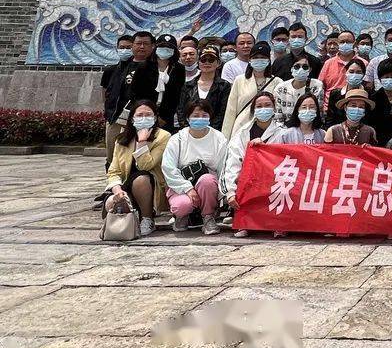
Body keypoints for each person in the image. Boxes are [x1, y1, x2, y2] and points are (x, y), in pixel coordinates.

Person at [223, 91, 286, 239]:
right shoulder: (242, 134)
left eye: (267, 105)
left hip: (274, 179)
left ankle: (278, 224)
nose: (263, 109)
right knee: (240, 180)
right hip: (249, 181)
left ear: (274, 108)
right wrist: (231, 192)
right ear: (253, 110)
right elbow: (232, 164)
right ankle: (244, 223)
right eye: (259, 106)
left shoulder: (283, 133)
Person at [104, 99, 170, 237]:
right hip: (127, 184)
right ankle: (129, 220)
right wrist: (117, 189)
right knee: (111, 203)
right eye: (139, 115)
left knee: (141, 178)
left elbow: (145, 165)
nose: (144, 118)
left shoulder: (163, 137)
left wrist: (142, 142)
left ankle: (147, 218)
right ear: (132, 119)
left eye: (148, 115)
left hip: (150, 184)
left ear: (155, 117)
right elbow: (114, 170)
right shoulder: (122, 139)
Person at [161, 100, 229, 235]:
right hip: (182, 183)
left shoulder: (219, 138)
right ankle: (181, 217)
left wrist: (224, 195)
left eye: (204, 115)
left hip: (208, 185)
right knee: (182, 206)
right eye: (196, 115)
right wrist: (188, 188)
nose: (200, 119)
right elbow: (168, 168)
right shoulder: (177, 139)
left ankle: (208, 216)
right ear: (187, 118)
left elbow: (223, 168)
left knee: (207, 180)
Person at [221, 41, 282, 139]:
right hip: (242, 129)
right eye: (255, 58)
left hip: (270, 131)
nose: (259, 60)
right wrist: (225, 137)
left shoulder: (277, 82)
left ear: (268, 60)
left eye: (262, 58)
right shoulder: (240, 80)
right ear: (250, 60)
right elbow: (230, 111)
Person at [101, 34, 134, 175]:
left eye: (128, 47)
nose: (125, 50)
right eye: (122, 47)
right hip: (114, 118)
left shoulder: (140, 68)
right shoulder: (110, 70)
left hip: (132, 119)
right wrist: (108, 111)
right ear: (117, 48)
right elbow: (104, 92)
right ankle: (111, 185)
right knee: (111, 154)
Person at [177, 45, 231, 130]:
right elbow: (181, 111)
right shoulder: (188, 85)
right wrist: (187, 129)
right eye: (203, 60)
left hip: (214, 132)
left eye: (211, 60)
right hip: (189, 131)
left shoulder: (224, 85)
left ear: (218, 63)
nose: (207, 63)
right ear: (198, 63)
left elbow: (222, 112)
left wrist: (210, 131)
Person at [150, 34, 187, 132]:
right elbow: (138, 92)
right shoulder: (145, 66)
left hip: (166, 116)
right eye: (162, 47)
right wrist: (150, 113)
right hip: (147, 113)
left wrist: (164, 116)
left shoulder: (179, 69)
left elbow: (176, 94)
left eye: (169, 48)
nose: (165, 49)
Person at [273, 55, 325, 123]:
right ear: (291, 69)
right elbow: (278, 117)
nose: (301, 69)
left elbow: (318, 112)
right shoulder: (280, 89)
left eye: (305, 67)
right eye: (297, 67)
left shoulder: (316, 86)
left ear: (310, 70)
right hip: (285, 129)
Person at [318, 28, 357, 107]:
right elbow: (320, 87)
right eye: (342, 42)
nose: (345, 44)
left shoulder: (364, 63)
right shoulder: (328, 63)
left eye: (348, 42)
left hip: (355, 108)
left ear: (354, 44)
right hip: (330, 110)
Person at [327, 58, 368, 124]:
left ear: (363, 74)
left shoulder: (370, 94)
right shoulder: (335, 93)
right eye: (351, 72)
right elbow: (330, 118)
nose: (354, 75)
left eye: (358, 72)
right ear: (345, 72)